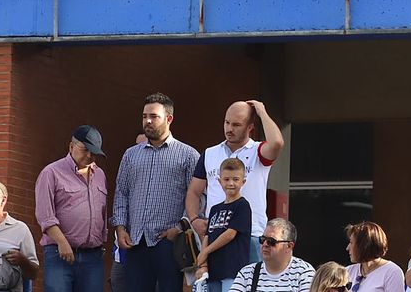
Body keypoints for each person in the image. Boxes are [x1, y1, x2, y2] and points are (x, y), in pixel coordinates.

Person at [113, 94, 201, 292]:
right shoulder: (130, 155)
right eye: (144, 116)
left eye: (154, 116)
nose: (148, 121)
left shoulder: (188, 155)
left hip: (168, 243)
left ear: (169, 119)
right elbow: (121, 193)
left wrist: (179, 227)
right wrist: (120, 228)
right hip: (135, 242)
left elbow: (198, 198)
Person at [188, 100, 286, 263]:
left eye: (236, 125)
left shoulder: (258, 151)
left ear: (250, 128)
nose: (229, 129)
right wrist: (194, 219)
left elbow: (277, 143)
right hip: (215, 235)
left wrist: (261, 112)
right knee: (216, 287)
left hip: (250, 235)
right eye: (227, 123)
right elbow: (194, 191)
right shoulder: (209, 154)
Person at [34, 126, 107, 292]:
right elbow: (45, 215)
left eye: (94, 152)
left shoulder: (100, 175)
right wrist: (62, 242)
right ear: (71, 146)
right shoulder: (51, 172)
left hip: (92, 257)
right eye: (85, 150)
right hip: (60, 254)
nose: (89, 156)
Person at [195, 159, 251, 292]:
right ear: (219, 181)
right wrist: (203, 264)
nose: (231, 183)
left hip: (233, 270)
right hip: (213, 271)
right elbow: (208, 236)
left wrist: (206, 252)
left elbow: (230, 234)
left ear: (243, 182)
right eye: (226, 179)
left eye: (235, 179)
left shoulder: (242, 205)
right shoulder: (214, 209)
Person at [228, 219, 313, 292]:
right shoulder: (247, 273)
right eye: (262, 239)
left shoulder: (304, 273)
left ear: (289, 246)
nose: (265, 244)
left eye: (271, 241)